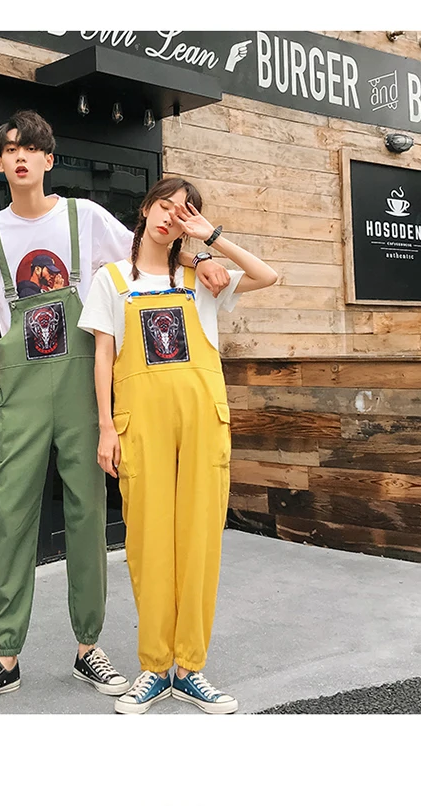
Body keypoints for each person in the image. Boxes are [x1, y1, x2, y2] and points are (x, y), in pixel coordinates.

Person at [0, 112, 231, 708]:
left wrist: (200, 259)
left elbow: (145, 254)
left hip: (82, 383)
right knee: (10, 516)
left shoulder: (86, 217)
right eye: (9, 150)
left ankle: (88, 648)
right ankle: (4, 656)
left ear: (49, 159)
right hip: (19, 388)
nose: (20, 157)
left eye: (31, 148)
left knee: (88, 515)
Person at [78, 177, 278, 714]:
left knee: (199, 542)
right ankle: (153, 668)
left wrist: (211, 240)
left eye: (183, 212)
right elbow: (103, 357)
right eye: (165, 206)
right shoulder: (111, 279)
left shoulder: (202, 276)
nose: (171, 216)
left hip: (202, 420)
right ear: (146, 209)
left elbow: (267, 275)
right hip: (140, 423)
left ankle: (189, 668)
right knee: (147, 543)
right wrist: (106, 427)